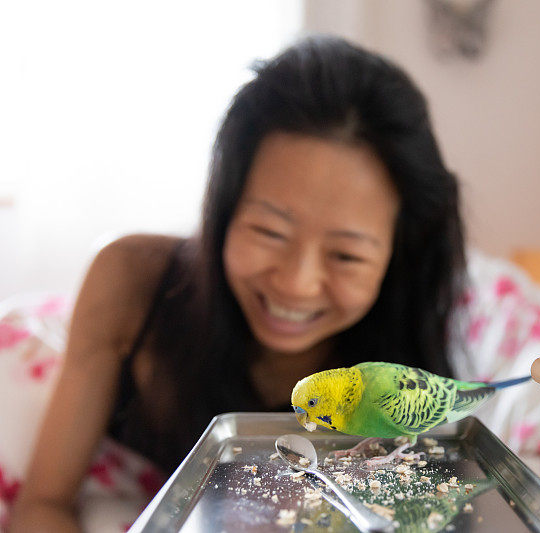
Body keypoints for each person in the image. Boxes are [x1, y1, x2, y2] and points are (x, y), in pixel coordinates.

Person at [9, 35, 466, 532]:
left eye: (346, 255)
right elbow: (43, 505)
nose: (296, 284)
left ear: (398, 255)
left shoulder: (403, 368)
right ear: (223, 210)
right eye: (269, 232)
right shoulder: (129, 280)